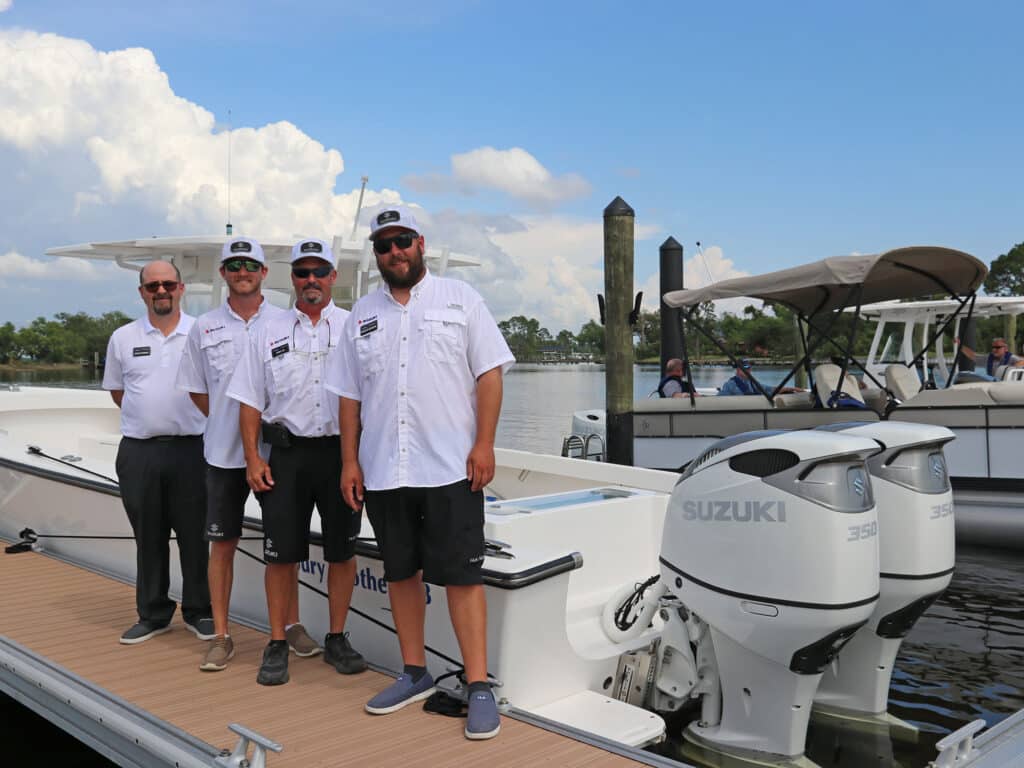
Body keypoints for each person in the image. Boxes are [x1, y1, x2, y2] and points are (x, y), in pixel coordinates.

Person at [331, 206, 514, 741]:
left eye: (403, 241)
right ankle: (414, 672)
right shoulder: (360, 313)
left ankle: (478, 684)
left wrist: (484, 444)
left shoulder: (461, 299)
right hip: (385, 468)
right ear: (378, 254)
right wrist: (348, 460)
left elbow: (490, 375)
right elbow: (348, 395)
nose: (395, 252)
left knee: (462, 576)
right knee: (400, 574)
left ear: (421, 243)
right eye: (384, 246)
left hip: (451, 465)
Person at [176, 237, 320, 672]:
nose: (243, 272)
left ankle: (291, 625)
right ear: (224, 273)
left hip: (277, 454)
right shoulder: (203, 328)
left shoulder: (285, 321)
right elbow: (199, 391)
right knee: (222, 544)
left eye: (251, 265)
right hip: (222, 455)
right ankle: (221, 635)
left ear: (264, 273)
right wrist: (227, 419)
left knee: (286, 546)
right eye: (234, 265)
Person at [226, 238, 365, 686]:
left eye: (319, 272)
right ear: (293, 279)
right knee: (280, 555)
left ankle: (338, 637)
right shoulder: (267, 330)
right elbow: (249, 399)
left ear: (332, 278)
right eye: (302, 272)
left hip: (342, 456)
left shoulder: (354, 325)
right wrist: (251, 457)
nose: (310, 280)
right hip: (285, 456)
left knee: (342, 552)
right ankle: (277, 640)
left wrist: (356, 461)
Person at [103, 260, 213, 645]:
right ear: (142, 293)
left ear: (181, 288)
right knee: (148, 537)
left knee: (195, 537)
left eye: (168, 284)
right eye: (153, 286)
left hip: (193, 450)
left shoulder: (202, 332)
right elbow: (120, 393)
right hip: (140, 452)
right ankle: (153, 614)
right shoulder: (122, 337)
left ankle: (200, 612)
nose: (161, 291)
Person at [719, 358, 803, 396]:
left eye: (749, 367)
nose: (748, 370)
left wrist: (792, 389)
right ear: (737, 370)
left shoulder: (753, 383)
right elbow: (719, 400)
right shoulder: (730, 385)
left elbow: (770, 389)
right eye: (745, 368)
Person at [956, 337, 1024, 377]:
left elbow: (1022, 361)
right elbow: (973, 356)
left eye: (997, 347)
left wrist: (1009, 368)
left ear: (1005, 349)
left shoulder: (1011, 358)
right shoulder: (988, 358)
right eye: (993, 347)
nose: (994, 349)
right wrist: (960, 345)